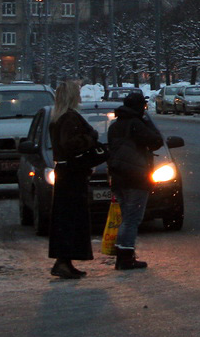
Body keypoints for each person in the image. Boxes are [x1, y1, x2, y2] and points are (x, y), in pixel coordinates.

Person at [47, 80, 99, 279]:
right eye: (76, 92)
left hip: (66, 173)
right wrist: (90, 138)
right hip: (72, 175)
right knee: (71, 218)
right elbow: (70, 143)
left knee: (66, 218)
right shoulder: (68, 118)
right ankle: (63, 261)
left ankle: (65, 261)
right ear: (71, 96)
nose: (80, 95)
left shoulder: (58, 117)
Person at [107, 91, 163, 270]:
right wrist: (146, 121)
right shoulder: (137, 124)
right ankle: (125, 256)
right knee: (132, 219)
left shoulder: (115, 126)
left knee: (126, 217)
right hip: (136, 177)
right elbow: (156, 141)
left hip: (119, 178)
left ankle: (122, 253)